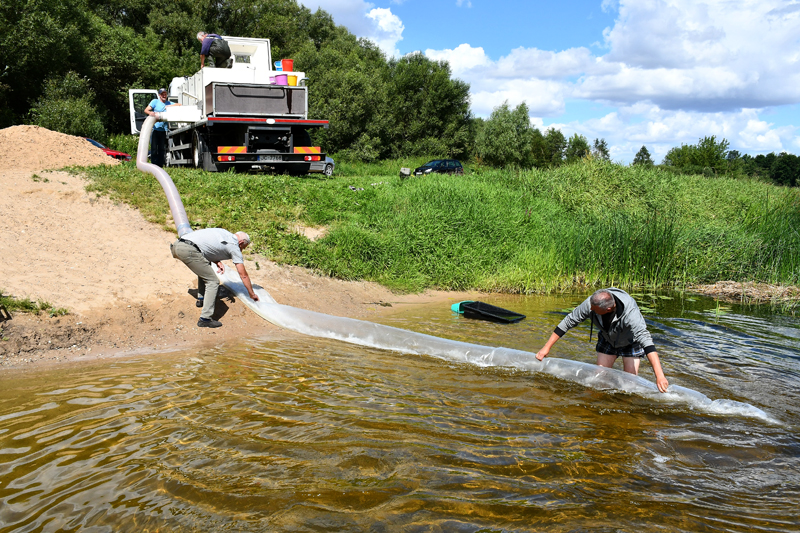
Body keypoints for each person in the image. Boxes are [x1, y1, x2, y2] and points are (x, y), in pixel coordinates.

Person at [535, 288, 669, 393]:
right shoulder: (593, 302)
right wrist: (546, 347)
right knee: (599, 378)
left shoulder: (631, 314)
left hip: (630, 342)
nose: (590, 310)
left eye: (594, 310)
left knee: (629, 384)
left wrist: (659, 376)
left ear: (608, 309)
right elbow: (568, 321)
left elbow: (647, 343)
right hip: (608, 338)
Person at [170, 228, 259, 328]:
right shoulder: (234, 246)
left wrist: (217, 261)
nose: (241, 250)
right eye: (243, 247)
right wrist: (251, 294)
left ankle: (201, 299)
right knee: (213, 281)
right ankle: (205, 319)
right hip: (189, 250)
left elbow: (206, 245)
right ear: (241, 242)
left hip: (177, 245)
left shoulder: (224, 232)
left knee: (205, 269)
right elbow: (243, 275)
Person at [144, 88, 180, 167]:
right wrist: (152, 113)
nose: (164, 95)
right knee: (154, 148)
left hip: (163, 130)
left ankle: (160, 165)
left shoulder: (168, 103)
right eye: (162, 94)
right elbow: (146, 110)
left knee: (161, 148)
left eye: (165, 94)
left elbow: (179, 105)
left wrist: (169, 106)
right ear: (159, 95)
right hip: (155, 130)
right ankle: (153, 164)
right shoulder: (155, 102)